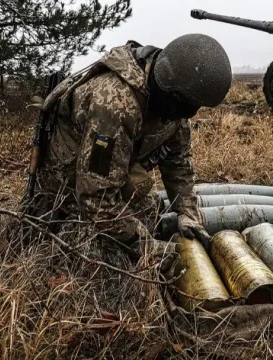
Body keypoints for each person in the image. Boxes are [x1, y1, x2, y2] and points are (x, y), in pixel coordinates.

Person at [28, 34, 232, 249]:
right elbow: (95, 199)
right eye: (185, 106)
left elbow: (177, 162)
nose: (188, 114)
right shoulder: (115, 104)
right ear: (169, 90)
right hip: (67, 181)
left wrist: (187, 212)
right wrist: (148, 248)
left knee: (149, 211)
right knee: (93, 247)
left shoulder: (174, 102)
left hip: (111, 167)